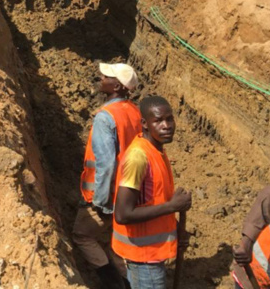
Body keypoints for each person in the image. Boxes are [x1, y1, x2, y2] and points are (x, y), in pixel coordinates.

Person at [72, 63, 142, 288]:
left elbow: (106, 163)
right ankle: (128, 283)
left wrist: (100, 202)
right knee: (117, 243)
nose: (101, 77)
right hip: (128, 192)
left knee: (82, 235)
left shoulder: (106, 117)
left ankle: (113, 283)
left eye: (107, 76)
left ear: (118, 86)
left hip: (106, 194)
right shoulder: (134, 111)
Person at [113, 96, 192, 289]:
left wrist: (174, 230)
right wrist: (172, 206)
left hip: (151, 254)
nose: (166, 126)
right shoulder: (138, 158)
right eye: (158, 121)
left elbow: (151, 200)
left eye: (169, 119)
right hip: (144, 258)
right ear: (144, 124)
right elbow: (123, 214)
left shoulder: (156, 151)